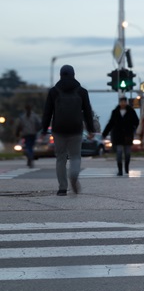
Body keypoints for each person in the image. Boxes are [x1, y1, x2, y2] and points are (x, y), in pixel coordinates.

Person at [41, 65, 95, 196]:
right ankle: (74, 175)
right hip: (76, 128)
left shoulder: (54, 91)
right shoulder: (82, 91)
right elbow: (88, 112)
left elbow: (47, 112)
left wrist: (43, 130)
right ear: (73, 74)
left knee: (60, 158)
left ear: (60, 75)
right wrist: (91, 130)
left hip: (58, 129)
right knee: (75, 156)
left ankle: (62, 188)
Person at [102, 97, 140, 176]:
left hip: (128, 135)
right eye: (121, 102)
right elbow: (110, 123)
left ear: (126, 102)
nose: (123, 103)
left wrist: (137, 131)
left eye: (124, 102)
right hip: (118, 136)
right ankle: (120, 170)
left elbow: (136, 122)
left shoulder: (131, 111)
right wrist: (104, 134)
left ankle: (126, 167)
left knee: (127, 153)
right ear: (119, 102)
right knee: (119, 152)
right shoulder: (115, 112)